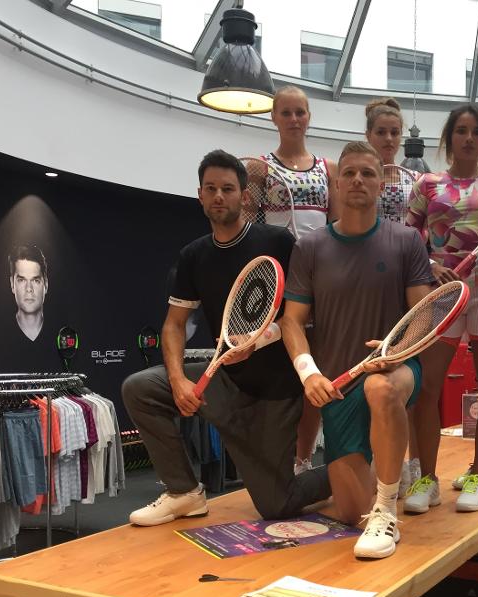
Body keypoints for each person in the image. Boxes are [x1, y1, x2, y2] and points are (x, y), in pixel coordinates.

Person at [123, 150, 330, 526]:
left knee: (277, 506)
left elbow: (306, 315)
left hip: (276, 394)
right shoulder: (193, 256)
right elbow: (173, 325)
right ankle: (184, 492)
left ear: (244, 196)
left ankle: (351, 468)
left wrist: (260, 338)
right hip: (226, 384)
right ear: (200, 195)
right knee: (140, 388)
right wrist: (177, 380)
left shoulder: (279, 243)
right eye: (211, 188)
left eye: (228, 189)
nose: (219, 196)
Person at [280, 141, 433, 559]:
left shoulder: (405, 241)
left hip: (396, 370)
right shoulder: (310, 247)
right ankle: (381, 470)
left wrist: (399, 350)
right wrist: (309, 371)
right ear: (335, 182)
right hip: (338, 385)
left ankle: (386, 510)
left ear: (381, 183)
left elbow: (422, 316)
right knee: (348, 513)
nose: (358, 181)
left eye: (367, 173)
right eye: (349, 173)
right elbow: (291, 321)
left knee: (381, 389)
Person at [404, 104, 478, 514]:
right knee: (426, 388)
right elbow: (410, 239)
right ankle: (426, 478)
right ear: (449, 137)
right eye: (461, 130)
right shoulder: (426, 184)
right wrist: (431, 266)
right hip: (442, 292)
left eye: (475, 131)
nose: (468, 138)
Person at [264, 85, 340, 476]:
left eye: (300, 112)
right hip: (277, 285)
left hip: (319, 284)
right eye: (287, 112)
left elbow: (338, 226)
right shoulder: (261, 168)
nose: (294, 119)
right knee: (281, 379)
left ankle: (303, 461)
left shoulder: (328, 169)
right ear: (274, 117)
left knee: (315, 373)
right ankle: (276, 461)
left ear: (309, 117)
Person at [364, 96, 422, 496]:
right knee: (368, 379)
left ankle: (411, 465)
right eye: (381, 132)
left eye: (394, 132)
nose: (388, 139)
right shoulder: (357, 174)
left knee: (405, 378)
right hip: (365, 285)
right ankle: (374, 463)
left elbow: (422, 233)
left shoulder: (412, 180)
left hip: (402, 285)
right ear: (368, 134)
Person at [8, 244, 48, 341]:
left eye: (35, 280)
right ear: (12, 284)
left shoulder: (63, 332)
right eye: (21, 280)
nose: (29, 288)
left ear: (46, 285)